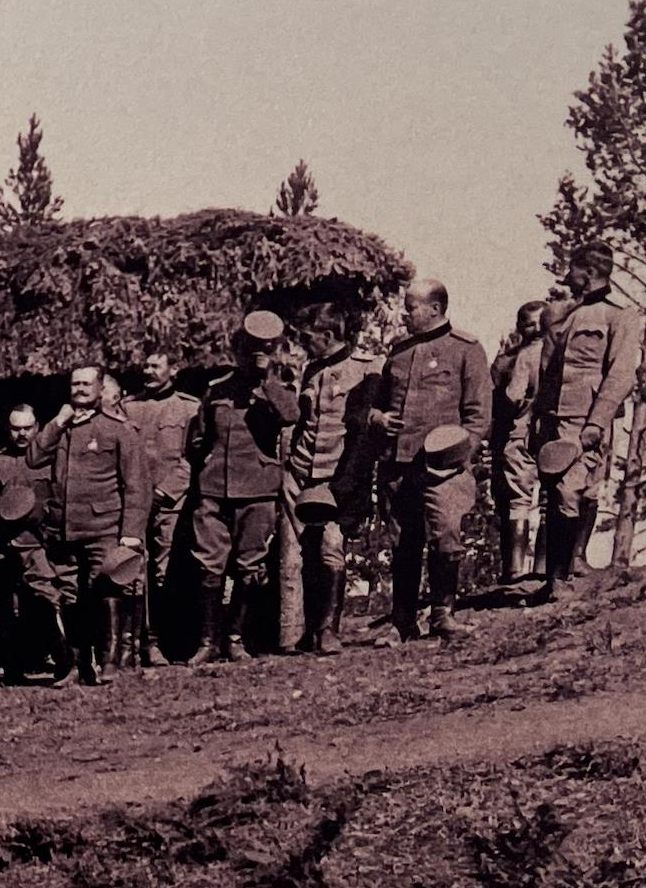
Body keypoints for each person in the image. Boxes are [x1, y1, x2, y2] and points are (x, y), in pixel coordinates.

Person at [369, 280, 492, 642]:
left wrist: (458, 456)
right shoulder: (398, 352)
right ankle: (402, 622)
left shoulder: (466, 349)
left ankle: (443, 615)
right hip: (398, 464)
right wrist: (379, 419)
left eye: (411, 308)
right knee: (403, 542)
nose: (404, 315)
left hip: (443, 469)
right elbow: (375, 406)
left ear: (435, 309)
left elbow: (478, 416)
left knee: (446, 537)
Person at [184, 312, 297, 665]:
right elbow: (198, 438)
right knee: (208, 563)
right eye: (249, 351)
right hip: (214, 489)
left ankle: (235, 639)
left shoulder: (278, 389)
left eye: (262, 351)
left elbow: (290, 416)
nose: (253, 357)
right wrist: (205, 462)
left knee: (250, 566)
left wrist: (268, 379)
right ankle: (207, 641)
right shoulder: (217, 390)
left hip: (257, 489)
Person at [533, 245, 643, 600]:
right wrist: (539, 421)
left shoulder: (620, 316)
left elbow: (621, 374)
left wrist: (597, 422)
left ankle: (561, 579)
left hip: (586, 423)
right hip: (554, 421)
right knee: (555, 495)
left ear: (589, 272)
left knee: (571, 492)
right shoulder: (565, 316)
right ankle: (554, 581)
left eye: (574, 270)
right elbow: (548, 372)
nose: (568, 277)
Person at [30, 365, 148, 685]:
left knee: (105, 589)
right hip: (65, 529)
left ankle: (109, 662)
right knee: (69, 594)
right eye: (75, 384)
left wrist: (131, 533)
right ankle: (78, 664)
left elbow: (137, 484)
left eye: (86, 384)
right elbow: (34, 458)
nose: (80, 389)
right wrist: (57, 422)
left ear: (100, 388)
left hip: (104, 526)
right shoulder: (62, 427)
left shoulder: (118, 429)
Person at [285, 304, 381, 656]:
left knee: (331, 547)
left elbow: (364, 435)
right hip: (304, 473)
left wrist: (347, 486)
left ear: (328, 335)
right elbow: (304, 424)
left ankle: (328, 630)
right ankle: (310, 630)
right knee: (307, 550)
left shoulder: (367, 369)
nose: (304, 344)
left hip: (338, 476)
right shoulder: (311, 370)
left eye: (309, 337)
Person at [119, 352, 199, 666]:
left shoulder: (189, 408)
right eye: (146, 365)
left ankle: (168, 642)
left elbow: (192, 459)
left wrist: (165, 491)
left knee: (166, 572)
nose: (148, 371)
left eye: (156, 366)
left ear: (173, 370)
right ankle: (140, 644)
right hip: (135, 503)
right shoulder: (129, 408)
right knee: (134, 572)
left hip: (170, 503)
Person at [0, 404, 65, 682]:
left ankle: (64, 660)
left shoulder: (52, 461)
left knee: (48, 600)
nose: (21, 434)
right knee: (2, 606)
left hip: (39, 545)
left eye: (27, 428)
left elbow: (61, 499)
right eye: (16, 428)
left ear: (38, 428)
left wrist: (46, 517)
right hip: (4, 545)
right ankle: (11, 667)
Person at [491, 300, 550, 583]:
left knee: (518, 498)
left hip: (522, 430)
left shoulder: (522, 356)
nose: (535, 328)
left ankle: (515, 570)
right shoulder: (564, 352)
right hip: (552, 433)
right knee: (551, 499)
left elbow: (512, 396)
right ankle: (542, 568)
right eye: (530, 323)